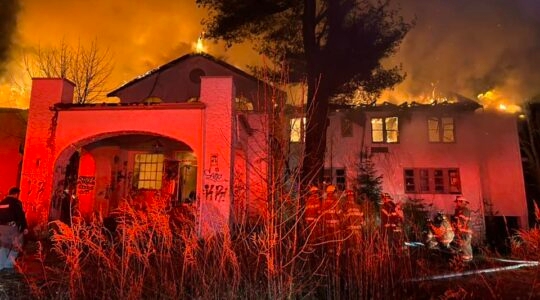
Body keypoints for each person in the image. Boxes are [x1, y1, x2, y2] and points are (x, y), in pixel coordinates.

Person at [0, 187, 28, 271]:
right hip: (12, 228)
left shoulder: (2, 202)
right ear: (16, 194)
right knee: (17, 245)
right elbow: (21, 215)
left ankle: (1, 265)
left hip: (2, 227)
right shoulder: (16, 202)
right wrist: (24, 227)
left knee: (4, 245)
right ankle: (8, 265)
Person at [321, 185, 341, 255]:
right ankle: (337, 251)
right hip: (335, 222)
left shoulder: (324, 201)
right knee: (336, 237)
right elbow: (338, 212)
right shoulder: (335, 200)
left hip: (327, 222)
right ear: (333, 192)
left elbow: (322, 213)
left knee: (329, 237)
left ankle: (330, 250)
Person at [452, 195, 473, 262]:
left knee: (464, 245)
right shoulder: (459, 210)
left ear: (462, 202)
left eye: (458, 202)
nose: (457, 203)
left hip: (465, 231)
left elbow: (463, 221)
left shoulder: (465, 210)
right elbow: (456, 220)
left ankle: (466, 260)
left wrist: (458, 228)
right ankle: (469, 259)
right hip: (463, 231)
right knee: (465, 245)